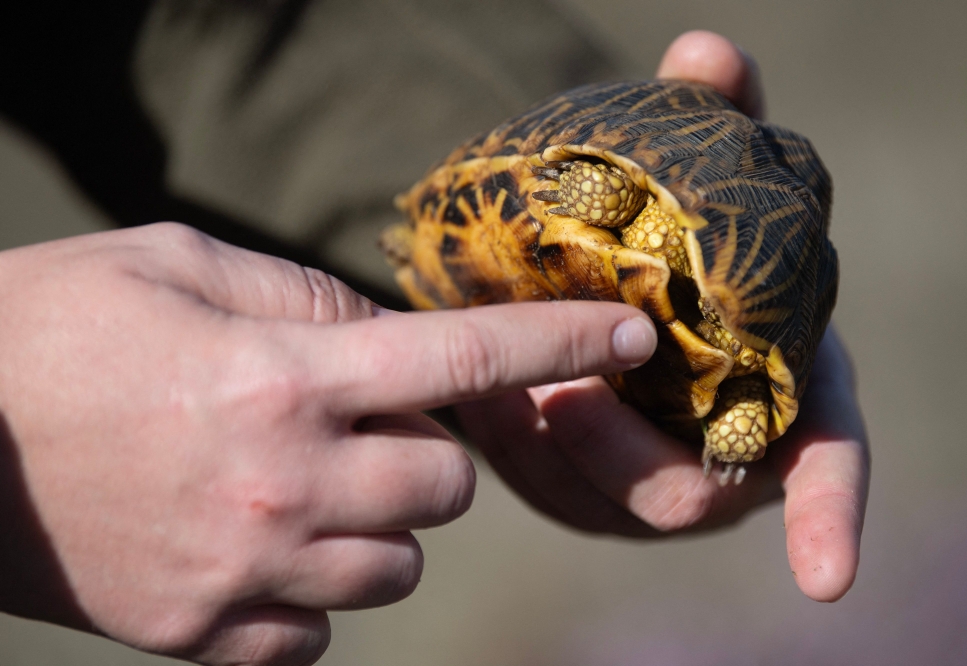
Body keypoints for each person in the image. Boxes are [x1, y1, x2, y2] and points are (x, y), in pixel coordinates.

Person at [0, 28, 868, 666]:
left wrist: (739, 423)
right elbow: (610, 188)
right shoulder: (624, 207)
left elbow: (210, 30)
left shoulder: (740, 360)